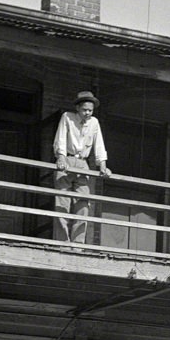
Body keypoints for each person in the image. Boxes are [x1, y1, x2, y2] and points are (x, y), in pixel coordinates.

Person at [52, 90, 111, 243]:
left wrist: (102, 165)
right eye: (84, 109)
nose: (87, 113)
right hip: (67, 160)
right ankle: (62, 242)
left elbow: (99, 144)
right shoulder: (67, 117)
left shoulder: (94, 122)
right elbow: (61, 138)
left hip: (83, 163)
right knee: (62, 202)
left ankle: (78, 243)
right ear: (77, 108)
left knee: (83, 202)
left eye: (90, 110)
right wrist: (61, 157)